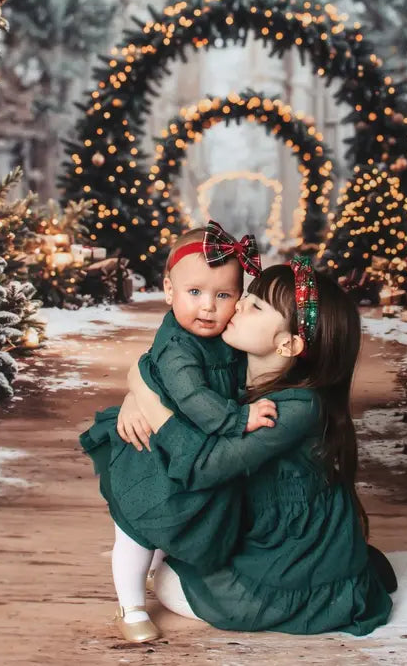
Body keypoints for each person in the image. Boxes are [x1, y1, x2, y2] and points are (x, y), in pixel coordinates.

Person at [117, 258, 394, 637]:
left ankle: (329, 584)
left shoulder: (296, 407)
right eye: (245, 296)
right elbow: (178, 382)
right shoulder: (236, 365)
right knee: (171, 543)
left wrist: (142, 390)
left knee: (166, 581)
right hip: (258, 532)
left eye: (256, 306)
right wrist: (139, 395)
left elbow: (204, 467)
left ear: (287, 343)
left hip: (282, 564)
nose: (238, 306)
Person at [79, 223, 278, 643]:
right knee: (139, 527)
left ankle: (157, 569)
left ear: (238, 300)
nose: (208, 307)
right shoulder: (177, 347)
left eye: (223, 295)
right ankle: (130, 605)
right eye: (194, 293)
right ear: (169, 291)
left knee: (183, 520)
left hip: (192, 454)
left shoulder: (225, 334)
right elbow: (194, 399)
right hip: (153, 453)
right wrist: (239, 420)